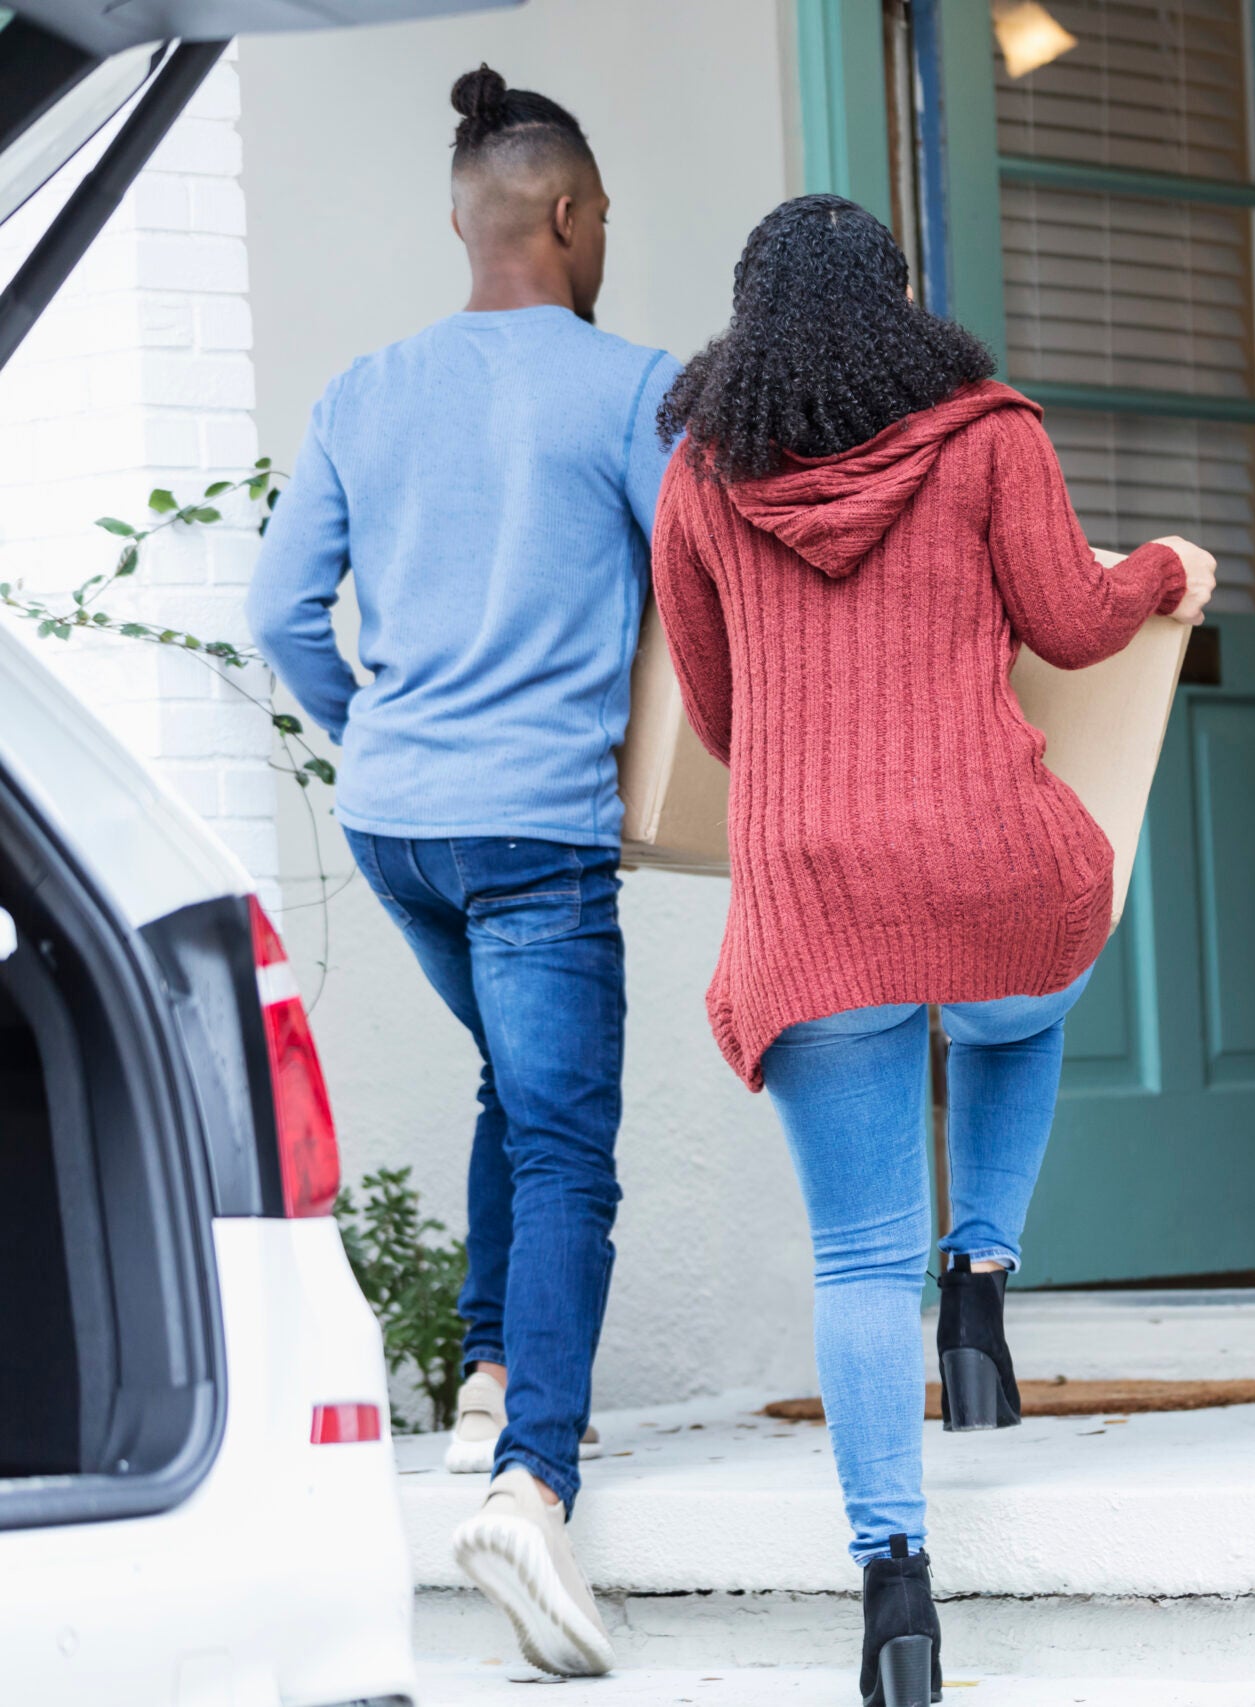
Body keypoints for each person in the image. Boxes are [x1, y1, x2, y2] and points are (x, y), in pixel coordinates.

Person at [649, 194, 1215, 1707]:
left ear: (749, 321)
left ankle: (895, 1592)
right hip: (983, 865)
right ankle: (982, 1276)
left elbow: (718, 717)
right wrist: (1165, 568)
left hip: (811, 897)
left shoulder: (699, 475)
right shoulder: (988, 433)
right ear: (899, 307)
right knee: (1019, 1007)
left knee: (853, 1259)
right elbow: (1076, 625)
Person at [246, 65, 675, 1679]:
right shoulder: (630, 388)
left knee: (517, 1084)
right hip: (534, 827)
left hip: (398, 822)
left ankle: (488, 1380)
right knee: (567, 1144)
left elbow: (280, 612)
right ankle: (530, 1489)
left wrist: (379, 732)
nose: (605, 235)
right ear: (567, 214)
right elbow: (703, 600)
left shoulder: (365, 389)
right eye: (603, 214)